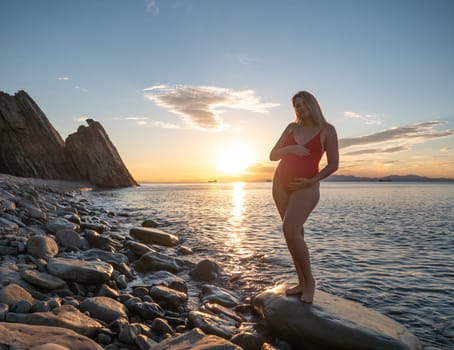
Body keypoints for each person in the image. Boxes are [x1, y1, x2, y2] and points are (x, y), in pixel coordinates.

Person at [270, 90, 339, 303]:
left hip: (306, 185)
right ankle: (301, 281)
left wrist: (312, 180)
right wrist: (291, 148)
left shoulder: (327, 130)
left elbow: (333, 164)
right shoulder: (291, 128)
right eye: (296, 106)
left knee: (290, 229)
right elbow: (272, 155)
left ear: (312, 104)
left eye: (303, 104)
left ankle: (310, 282)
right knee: (293, 233)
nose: (300, 108)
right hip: (280, 183)